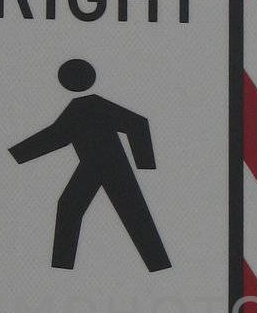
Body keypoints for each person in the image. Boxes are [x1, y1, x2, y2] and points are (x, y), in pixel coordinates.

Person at [9, 58, 171, 272]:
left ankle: (158, 265)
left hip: (112, 164)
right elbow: (57, 135)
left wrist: (145, 164)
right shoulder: (79, 107)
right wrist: (17, 154)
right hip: (94, 164)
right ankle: (61, 268)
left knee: (128, 211)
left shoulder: (92, 104)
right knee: (71, 206)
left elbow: (137, 123)